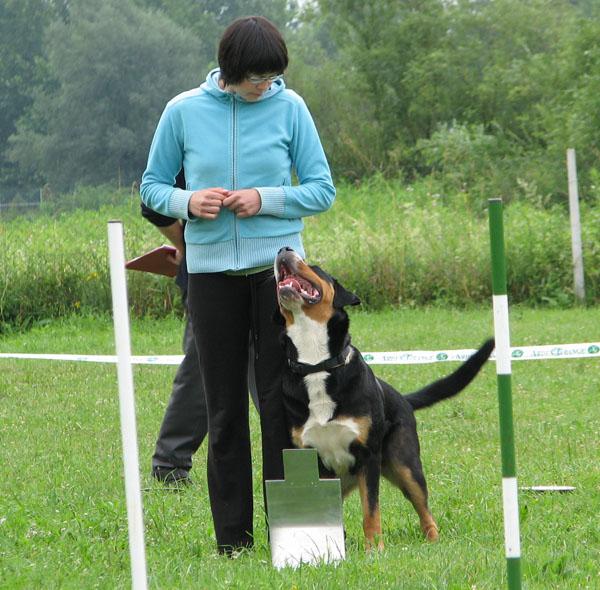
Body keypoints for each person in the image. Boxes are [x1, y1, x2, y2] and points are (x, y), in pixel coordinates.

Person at [140, 15, 335, 555]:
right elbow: (151, 187)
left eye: (272, 77)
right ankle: (233, 543)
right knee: (224, 412)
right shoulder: (182, 111)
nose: (264, 87)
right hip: (209, 279)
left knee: (285, 406)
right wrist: (187, 201)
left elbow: (322, 189)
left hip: (279, 280)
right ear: (229, 69)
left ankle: (300, 539)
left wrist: (264, 198)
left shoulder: (291, 108)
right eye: (255, 77)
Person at [141, 172, 259, 486]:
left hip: (261, 274)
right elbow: (152, 203)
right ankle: (169, 464)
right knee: (202, 369)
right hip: (207, 276)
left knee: (268, 369)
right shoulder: (190, 142)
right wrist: (185, 242)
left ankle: (293, 455)